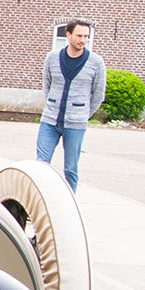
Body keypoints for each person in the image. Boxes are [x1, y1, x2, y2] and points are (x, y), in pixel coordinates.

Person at [36, 18, 106, 190]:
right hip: (50, 121)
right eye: (79, 35)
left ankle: (69, 205)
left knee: (71, 169)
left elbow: (98, 94)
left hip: (76, 124)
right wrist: (53, 105)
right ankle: (39, 200)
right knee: (40, 165)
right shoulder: (52, 58)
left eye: (86, 36)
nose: (83, 40)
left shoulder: (96, 63)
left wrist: (82, 114)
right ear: (68, 34)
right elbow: (47, 86)